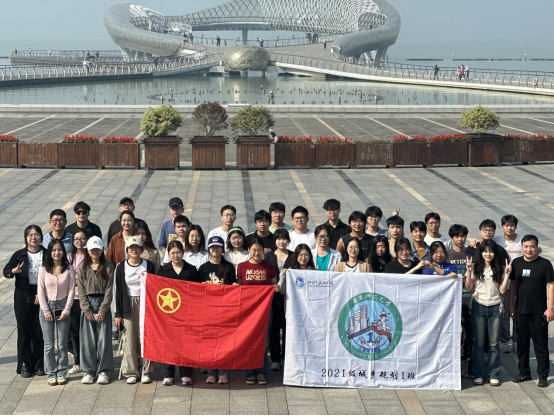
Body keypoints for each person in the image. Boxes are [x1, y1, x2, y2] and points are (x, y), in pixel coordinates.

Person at [509, 235, 554, 388]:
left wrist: (550, 308)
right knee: (522, 345)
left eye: (532, 246)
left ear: (537, 247)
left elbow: (551, 286)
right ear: (522, 247)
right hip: (520, 310)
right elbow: (513, 285)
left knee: (540, 345)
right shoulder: (516, 263)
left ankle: (543, 374)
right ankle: (524, 372)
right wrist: (510, 305)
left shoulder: (545, 264)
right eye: (526, 246)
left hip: (539, 312)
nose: (529, 249)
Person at [466, 240, 511, 387]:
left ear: (495, 253)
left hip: (495, 307)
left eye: (491, 251)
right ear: (481, 253)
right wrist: (468, 272)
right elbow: (469, 288)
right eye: (485, 251)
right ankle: (479, 373)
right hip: (478, 306)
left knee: (494, 344)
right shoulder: (475, 267)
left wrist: (507, 274)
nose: (488, 254)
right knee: (478, 343)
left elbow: (502, 290)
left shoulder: (500, 268)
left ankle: (493, 374)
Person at [157, 240, 201, 387]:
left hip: (187, 314)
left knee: (187, 343)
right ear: (168, 254)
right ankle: (168, 374)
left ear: (183, 253)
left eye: (178, 252)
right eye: (172, 253)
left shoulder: (191, 270)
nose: (176, 255)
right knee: (169, 344)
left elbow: (198, 291)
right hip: (168, 314)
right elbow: (155, 289)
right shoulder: (163, 271)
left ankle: (186, 374)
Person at [3, 225, 45, 378]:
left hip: (41, 294)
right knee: (24, 330)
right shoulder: (19, 255)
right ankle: (25, 364)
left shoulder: (47, 254)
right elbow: (6, 271)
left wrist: (43, 293)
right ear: (26, 238)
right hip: (22, 294)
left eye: (36, 234)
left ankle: (39, 364)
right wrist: (13, 271)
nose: (33, 237)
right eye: (30, 235)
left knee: (39, 330)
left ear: (41, 237)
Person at [114, 237, 156, 385]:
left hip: (146, 303)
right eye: (131, 247)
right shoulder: (121, 267)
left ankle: (146, 370)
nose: (134, 250)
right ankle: (131, 371)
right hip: (128, 304)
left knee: (146, 337)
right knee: (130, 338)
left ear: (141, 249)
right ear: (127, 250)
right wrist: (117, 314)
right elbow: (117, 291)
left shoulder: (148, 265)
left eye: (137, 247)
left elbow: (155, 286)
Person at [237, 238, 279, 385]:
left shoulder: (269, 267)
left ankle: (261, 372)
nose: (256, 253)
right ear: (249, 250)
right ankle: (249, 372)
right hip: (247, 310)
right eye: (254, 250)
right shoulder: (242, 266)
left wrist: (276, 288)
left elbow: (274, 285)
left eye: (259, 250)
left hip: (265, 310)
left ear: (263, 251)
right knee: (248, 340)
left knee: (263, 341)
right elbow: (239, 286)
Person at [199, 237, 237, 384]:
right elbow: (196, 289)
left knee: (224, 342)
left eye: (218, 247)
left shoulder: (228, 267)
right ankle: (211, 372)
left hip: (225, 310)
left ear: (222, 249)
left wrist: (234, 286)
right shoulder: (203, 268)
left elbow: (233, 286)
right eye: (213, 247)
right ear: (209, 249)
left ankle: (223, 372)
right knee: (209, 341)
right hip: (208, 310)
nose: (215, 250)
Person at [77, 236, 115, 385]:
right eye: (92, 249)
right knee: (87, 340)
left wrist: (103, 310)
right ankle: (88, 371)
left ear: (102, 250)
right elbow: (81, 291)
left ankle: (103, 370)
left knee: (103, 340)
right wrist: (87, 310)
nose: (95, 252)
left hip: (102, 303)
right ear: (88, 251)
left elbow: (109, 289)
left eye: (97, 249)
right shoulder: (82, 267)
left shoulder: (108, 266)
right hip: (88, 304)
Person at [38, 240, 75, 386]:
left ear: (63, 252)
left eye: (59, 250)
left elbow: (71, 290)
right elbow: (40, 291)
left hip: (63, 305)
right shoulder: (44, 269)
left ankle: (61, 371)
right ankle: (51, 372)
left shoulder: (69, 269)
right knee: (48, 344)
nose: (56, 253)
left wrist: (66, 310)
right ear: (49, 252)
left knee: (62, 343)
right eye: (53, 250)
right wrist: (46, 310)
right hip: (47, 305)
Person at [447, 224, 477, 378]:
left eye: (462, 236)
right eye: (457, 236)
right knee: (452, 333)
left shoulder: (472, 253)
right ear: (452, 238)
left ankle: (466, 362)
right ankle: (453, 362)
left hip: (469, 300)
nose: (460, 239)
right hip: (452, 302)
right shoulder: (447, 254)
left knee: (469, 333)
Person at [265, 229, 293, 371]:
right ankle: (275, 359)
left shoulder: (293, 255)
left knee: (288, 329)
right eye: (278, 239)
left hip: (290, 298)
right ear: (274, 241)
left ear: (288, 240)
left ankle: (286, 358)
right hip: (273, 298)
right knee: (274, 330)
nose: (281, 241)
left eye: (284, 238)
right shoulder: (269, 256)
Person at [67, 231, 88, 377]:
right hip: (73, 299)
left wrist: (76, 278)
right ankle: (78, 362)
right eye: (76, 239)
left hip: (88, 298)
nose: (79, 241)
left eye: (82, 238)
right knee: (74, 332)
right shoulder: (69, 257)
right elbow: (67, 277)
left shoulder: (91, 256)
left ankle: (90, 360)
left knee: (88, 332)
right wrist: (78, 279)